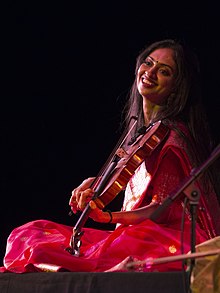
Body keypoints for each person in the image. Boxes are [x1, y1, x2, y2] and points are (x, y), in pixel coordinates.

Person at [1, 39, 220, 273]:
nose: (151, 73)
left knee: (49, 247)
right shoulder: (142, 131)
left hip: (164, 239)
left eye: (164, 71)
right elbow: (131, 176)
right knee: (28, 234)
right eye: (148, 63)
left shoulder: (172, 137)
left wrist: (107, 216)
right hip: (135, 234)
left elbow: (159, 211)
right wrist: (96, 182)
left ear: (177, 87)